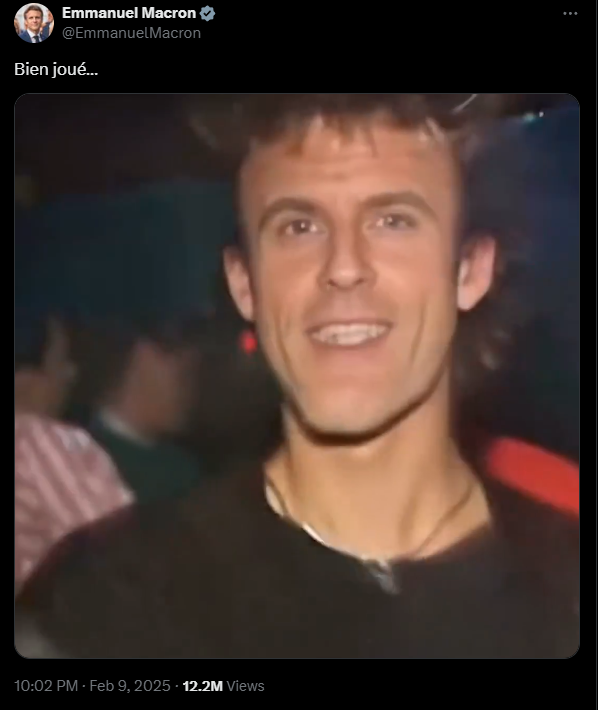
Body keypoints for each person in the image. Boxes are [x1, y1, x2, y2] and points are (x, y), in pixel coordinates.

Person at [17, 95, 579, 658]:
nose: (343, 267)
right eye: (299, 226)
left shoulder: (567, 587)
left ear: (471, 271)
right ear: (245, 285)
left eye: (393, 221)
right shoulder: (105, 605)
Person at [15, 314, 132, 591]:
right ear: (26, 379)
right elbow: (124, 553)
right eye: (60, 365)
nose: (70, 376)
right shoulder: (42, 443)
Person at [84, 316, 204, 505]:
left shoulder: (186, 472)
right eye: (184, 375)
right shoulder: (75, 458)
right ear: (143, 355)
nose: (190, 390)